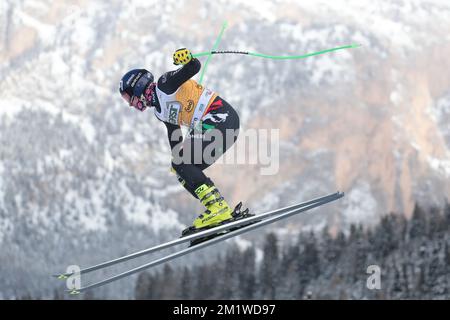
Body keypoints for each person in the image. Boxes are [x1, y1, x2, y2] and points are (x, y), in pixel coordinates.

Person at [119, 48, 244, 236]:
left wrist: (187, 58)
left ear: (137, 87)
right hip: (214, 126)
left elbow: (194, 66)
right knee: (180, 170)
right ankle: (218, 211)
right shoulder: (159, 112)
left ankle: (218, 208)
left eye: (129, 97)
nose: (130, 104)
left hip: (220, 119)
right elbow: (174, 136)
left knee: (181, 163)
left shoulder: (163, 84)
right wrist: (177, 164)